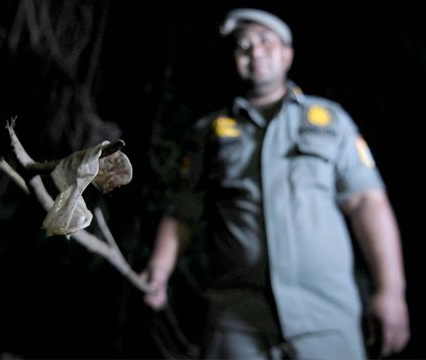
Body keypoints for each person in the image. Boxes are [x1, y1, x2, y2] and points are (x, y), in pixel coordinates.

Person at [142, 8, 410, 360]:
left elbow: (366, 202)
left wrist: (390, 291)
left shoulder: (330, 120)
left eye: (266, 41)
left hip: (327, 317)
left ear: (287, 54)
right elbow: (183, 211)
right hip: (235, 319)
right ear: (234, 60)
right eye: (243, 46)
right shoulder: (209, 132)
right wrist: (159, 271)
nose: (255, 51)